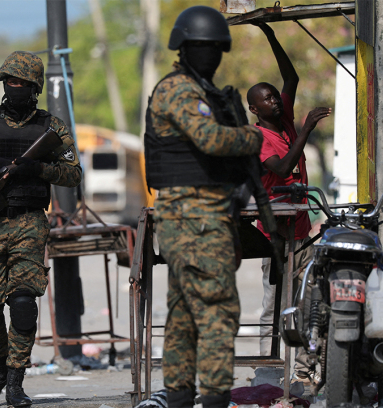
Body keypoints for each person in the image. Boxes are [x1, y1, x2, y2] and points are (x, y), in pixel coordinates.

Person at [144, 6, 263, 408]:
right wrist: (252, 138)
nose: (209, 55)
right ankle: (213, 398)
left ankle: (179, 396)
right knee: (217, 311)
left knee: (183, 314)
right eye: (201, 47)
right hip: (193, 216)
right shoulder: (179, 89)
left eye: (215, 48)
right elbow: (210, 139)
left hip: (203, 215)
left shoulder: (205, 91)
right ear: (184, 48)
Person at [0, 51, 82, 407]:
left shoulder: (51, 128)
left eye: (22, 83)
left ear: (34, 87)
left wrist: (38, 170)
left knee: (24, 303)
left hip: (29, 222)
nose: (15, 88)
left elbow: (73, 174)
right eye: (10, 82)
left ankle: (15, 380)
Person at [246, 22, 330, 382]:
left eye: (275, 96)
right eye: (267, 98)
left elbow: (291, 78)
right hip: (275, 234)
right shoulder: (258, 135)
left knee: (308, 299)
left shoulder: (285, 123)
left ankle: (302, 368)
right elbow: (281, 167)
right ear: (254, 108)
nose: (275, 100)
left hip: (300, 228)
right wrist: (307, 130)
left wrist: (270, 35)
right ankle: (268, 372)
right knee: (275, 302)